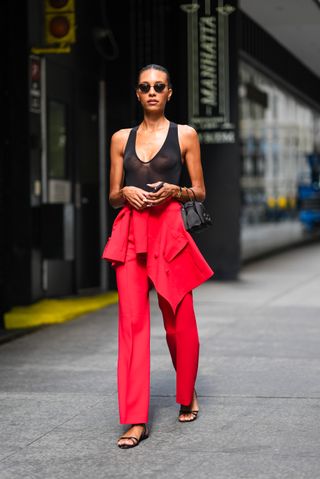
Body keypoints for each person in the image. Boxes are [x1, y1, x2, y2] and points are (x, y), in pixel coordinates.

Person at [102, 64, 214, 449]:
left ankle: (187, 391)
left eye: (159, 86)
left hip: (169, 233)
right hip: (131, 234)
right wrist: (125, 195)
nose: (152, 91)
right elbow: (113, 194)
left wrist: (173, 190)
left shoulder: (186, 134)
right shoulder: (120, 138)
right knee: (132, 327)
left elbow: (199, 191)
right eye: (145, 86)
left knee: (178, 322)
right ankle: (135, 420)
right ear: (137, 94)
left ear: (170, 93)